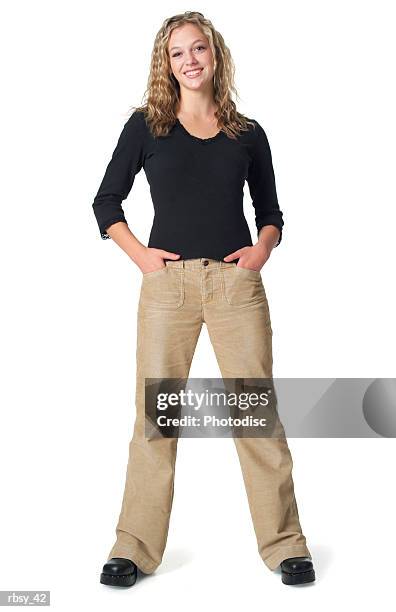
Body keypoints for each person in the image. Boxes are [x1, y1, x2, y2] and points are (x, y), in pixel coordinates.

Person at [92, 11, 315, 587]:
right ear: (165, 64)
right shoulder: (146, 127)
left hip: (235, 287)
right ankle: (134, 547)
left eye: (199, 49)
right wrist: (142, 256)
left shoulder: (248, 133)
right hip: (168, 288)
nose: (189, 60)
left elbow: (271, 214)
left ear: (216, 56)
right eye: (177, 53)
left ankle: (285, 544)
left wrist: (261, 249)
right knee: (157, 418)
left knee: (254, 413)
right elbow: (106, 203)